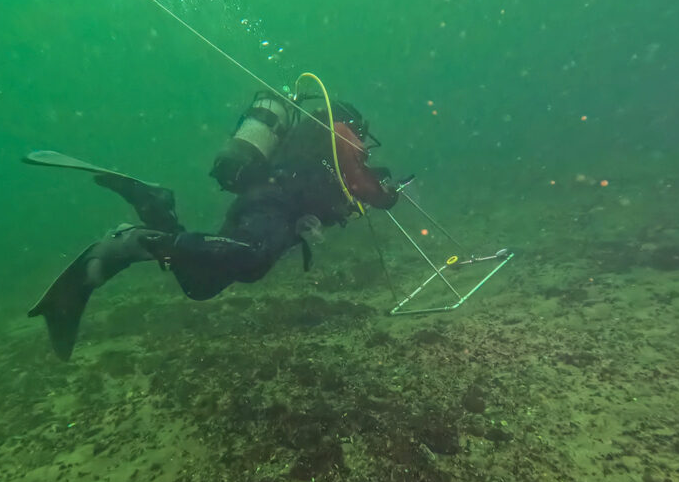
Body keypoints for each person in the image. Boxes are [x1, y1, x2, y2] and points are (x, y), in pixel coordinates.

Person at [25, 94, 400, 360]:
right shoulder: (339, 129)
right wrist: (387, 197)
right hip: (274, 206)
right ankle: (155, 240)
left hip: (265, 204)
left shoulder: (316, 142)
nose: (363, 141)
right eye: (360, 134)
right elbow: (360, 182)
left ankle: (154, 212)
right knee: (252, 258)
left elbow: (350, 180)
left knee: (200, 286)